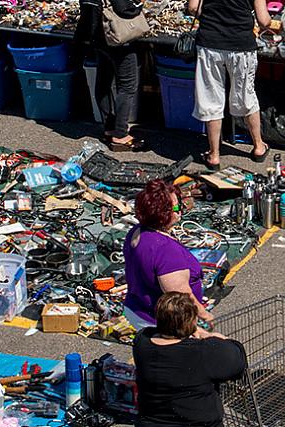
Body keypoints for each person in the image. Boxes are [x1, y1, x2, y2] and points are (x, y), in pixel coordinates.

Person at [133, 292, 247, 427]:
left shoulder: (142, 342)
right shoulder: (202, 352)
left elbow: (152, 332)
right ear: (192, 321)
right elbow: (238, 360)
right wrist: (209, 335)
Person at [188, 0, 271, 170]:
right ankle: (258, 147)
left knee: (210, 98)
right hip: (241, 44)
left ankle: (214, 155)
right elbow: (264, 21)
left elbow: (193, 8)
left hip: (210, 43)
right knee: (246, 95)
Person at [122, 180, 212, 331]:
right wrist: (203, 316)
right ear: (162, 213)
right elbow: (180, 297)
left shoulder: (136, 231)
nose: (180, 210)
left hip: (136, 309)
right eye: (176, 207)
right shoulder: (166, 250)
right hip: (161, 322)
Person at [75, 0, 143, 151]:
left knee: (104, 80)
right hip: (116, 36)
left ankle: (109, 127)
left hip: (96, 34)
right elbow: (124, 8)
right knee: (128, 85)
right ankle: (120, 134)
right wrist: (139, 5)